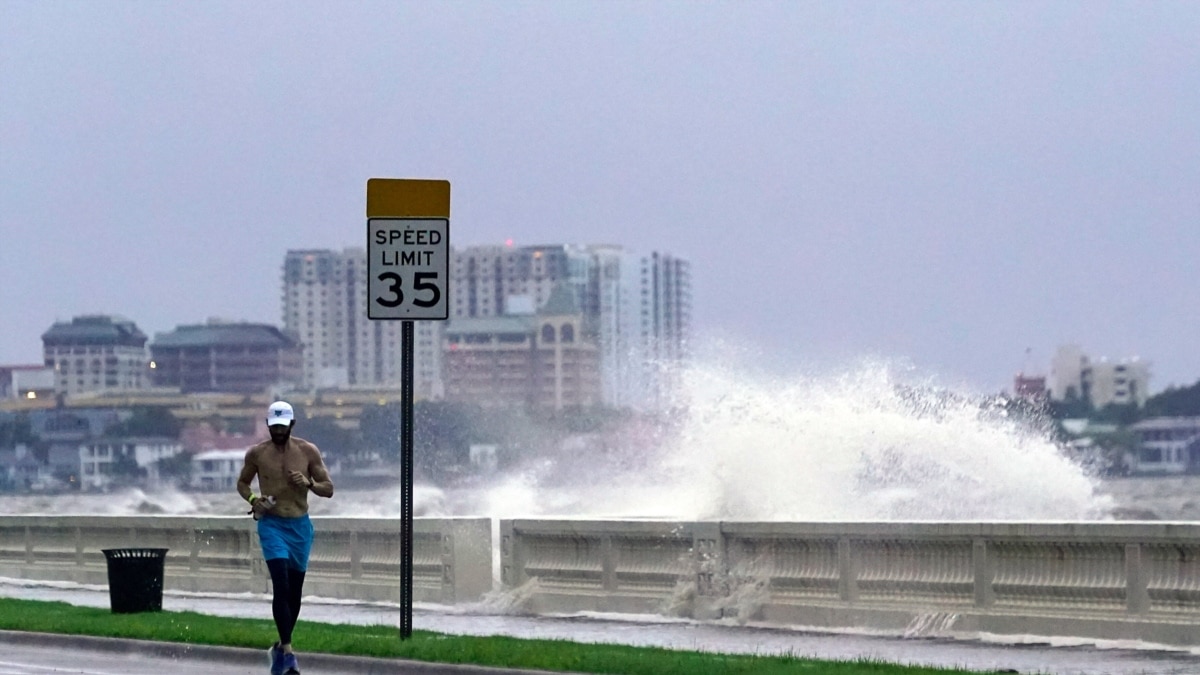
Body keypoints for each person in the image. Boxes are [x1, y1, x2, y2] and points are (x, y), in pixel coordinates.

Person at [237, 401, 334, 675]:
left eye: (283, 426)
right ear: (268, 425)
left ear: (292, 425)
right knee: (280, 585)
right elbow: (242, 483)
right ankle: (290, 653)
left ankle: (279, 648)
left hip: (300, 527)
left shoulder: (307, 451)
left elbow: (329, 489)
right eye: (274, 426)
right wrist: (256, 500)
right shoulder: (257, 454)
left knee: (294, 593)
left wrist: (309, 484)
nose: (278, 431)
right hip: (272, 525)